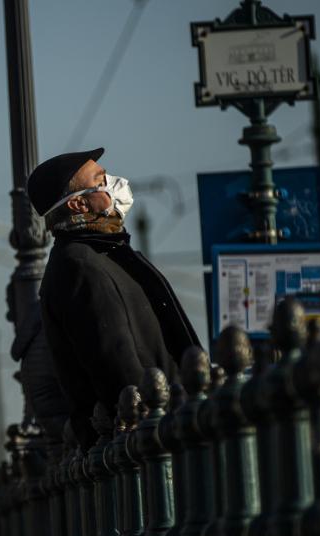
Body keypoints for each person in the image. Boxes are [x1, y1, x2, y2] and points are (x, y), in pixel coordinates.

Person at [27, 147, 200, 447]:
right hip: (152, 442)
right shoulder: (79, 265)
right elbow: (116, 360)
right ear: (79, 204)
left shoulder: (102, 253)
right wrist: (158, 422)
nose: (113, 182)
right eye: (101, 178)